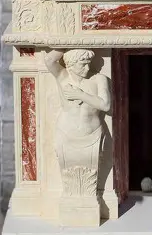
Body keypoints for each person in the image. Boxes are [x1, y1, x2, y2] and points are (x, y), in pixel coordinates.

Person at [45, 49, 111, 198]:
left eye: (88, 64)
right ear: (70, 64)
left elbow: (105, 105)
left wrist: (80, 95)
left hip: (92, 134)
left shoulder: (99, 79)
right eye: (82, 65)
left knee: (91, 179)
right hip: (66, 133)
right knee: (70, 183)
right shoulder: (63, 76)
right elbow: (49, 60)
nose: (87, 68)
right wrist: (67, 40)